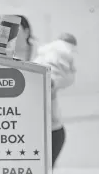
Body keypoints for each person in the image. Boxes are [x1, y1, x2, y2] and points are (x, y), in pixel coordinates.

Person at [33, 32, 77, 166]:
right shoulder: (58, 52)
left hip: (51, 127)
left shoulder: (46, 53)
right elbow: (67, 78)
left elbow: (66, 78)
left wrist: (52, 83)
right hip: (42, 126)